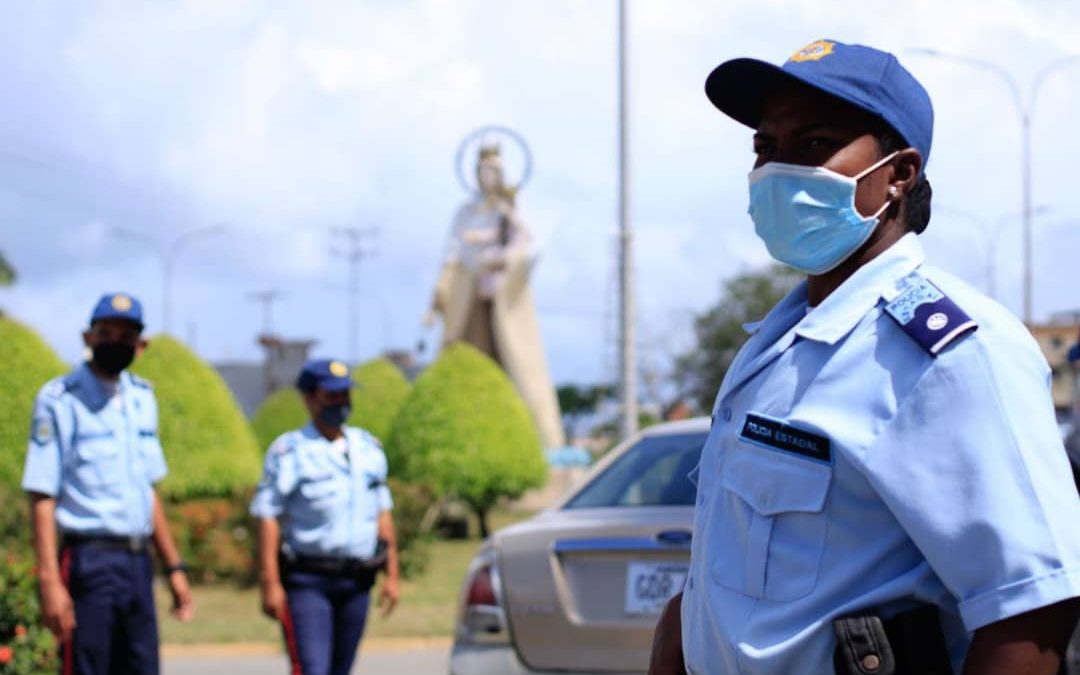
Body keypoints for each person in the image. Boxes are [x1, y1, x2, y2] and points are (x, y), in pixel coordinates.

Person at [649, 40, 1080, 675]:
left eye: (816, 145)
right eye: (765, 149)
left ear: (899, 174)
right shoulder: (775, 345)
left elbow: (1029, 611)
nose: (779, 171)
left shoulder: (954, 355)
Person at [21, 292, 194, 675]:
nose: (115, 342)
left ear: (141, 345)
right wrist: (50, 579)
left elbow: (148, 491)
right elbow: (42, 493)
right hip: (89, 561)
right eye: (106, 333)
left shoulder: (142, 398)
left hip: (136, 562)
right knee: (88, 667)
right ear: (88, 338)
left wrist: (174, 568)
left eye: (126, 335)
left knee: (141, 666)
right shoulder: (61, 400)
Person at [250, 358, 400, 675]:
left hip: (357, 579)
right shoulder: (290, 451)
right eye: (331, 395)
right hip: (308, 580)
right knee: (312, 668)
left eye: (345, 394)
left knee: (340, 669)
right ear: (309, 398)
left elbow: (382, 513)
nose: (341, 403)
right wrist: (271, 583)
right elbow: (268, 517)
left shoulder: (368, 448)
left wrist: (392, 575)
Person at [427, 143, 565, 449]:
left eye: (494, 171)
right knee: (464, 361)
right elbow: (453, 253)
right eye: (483, 171)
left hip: (506, 301)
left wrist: (504, 258)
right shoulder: (466, 212)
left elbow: (529, 247)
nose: (488, 177)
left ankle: (541, 438)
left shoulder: (511, 209)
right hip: (471, 299)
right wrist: (439, 296)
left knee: (520, 366)